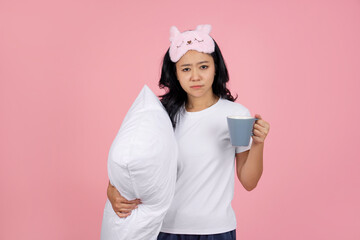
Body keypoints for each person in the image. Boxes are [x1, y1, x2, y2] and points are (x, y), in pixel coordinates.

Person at [106, 24, 270, 240]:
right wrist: (112, 191)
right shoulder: (159, 115)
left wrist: (258, 143)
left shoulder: (235, 114)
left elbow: (249, 182)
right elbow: (132, 159)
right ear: (175, 73)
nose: (195, 76)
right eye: (186, 69)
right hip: (164, 228)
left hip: (215, 230)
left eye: (203, 67)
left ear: (216, 67)